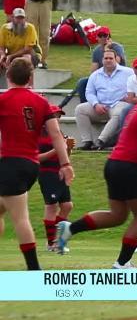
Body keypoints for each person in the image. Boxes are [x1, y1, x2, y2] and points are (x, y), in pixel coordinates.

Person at [56, 75, 137, 268]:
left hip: (114, 163)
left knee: (117, 215)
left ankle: (70, 228)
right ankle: (122, 264)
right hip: (132, 167)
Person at [0, 59, 74, 270]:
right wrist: (66, 163)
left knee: (20, 217)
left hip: (10, 162)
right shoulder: (41, 102)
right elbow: (57, 135)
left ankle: (34, 268)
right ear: (31, 78)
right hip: (32, 165)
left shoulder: (3, 100)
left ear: (8, 76)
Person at [74, 49, 132, 150]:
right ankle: (87, 141)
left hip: (118, 104)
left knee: (119, 112)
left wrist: (130, 96)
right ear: (102, 60)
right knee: (80, 109)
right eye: (106, 58)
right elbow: (89, 92)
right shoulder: (95, 75)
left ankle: (101, 141)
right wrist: (96, 104)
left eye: (111, 58)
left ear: (116, 59)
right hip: (101, 106)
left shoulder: (128, 72)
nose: (108, 60)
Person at [58, 27, 127, 109]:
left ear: (109, 37)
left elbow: (114, 64)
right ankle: (87, 105)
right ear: (97, 37)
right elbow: (93, 71)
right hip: (102, 77)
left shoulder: (117, 47)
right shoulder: (97, 51)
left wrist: (107, 50)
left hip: (117, 77)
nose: (102, 38)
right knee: (82, 82)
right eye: (100, 36)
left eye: (105, 35)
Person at [38, 104, 75, 252]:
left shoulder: (59, 133)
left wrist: (69, 148)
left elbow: (64, 156)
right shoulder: (38, 135)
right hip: (46, 173)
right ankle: (51, 243)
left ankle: (58, 239)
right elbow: (36, 158)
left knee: (67, 206)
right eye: (55, 116)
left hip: (60, 172)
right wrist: (57, 149)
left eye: (59, 116)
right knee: (51, 206)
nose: (57, 119)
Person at [18, 0, 55, 69]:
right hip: (31, 3)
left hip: (45, 3)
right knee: (31, 31)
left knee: (45, 32)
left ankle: (43, 60)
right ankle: (32, 59)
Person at [0, 7, 41, 82]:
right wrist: (2, 55)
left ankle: (30, 86)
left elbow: (28, 49)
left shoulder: (30, 28)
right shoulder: (4, 28)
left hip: (31, 54)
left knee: (26, 58)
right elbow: (1, 46)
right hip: (11, 54)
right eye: (18, 18)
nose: (20, 21)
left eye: (22, 18)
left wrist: (11, 56)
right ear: (12, 18)